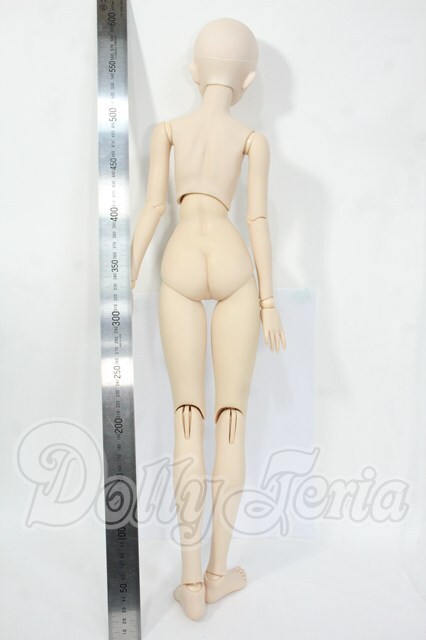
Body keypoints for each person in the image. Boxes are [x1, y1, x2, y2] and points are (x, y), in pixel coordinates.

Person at [131, 17, 286, 620]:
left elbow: (152, 207)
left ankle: (191, 582)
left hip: (179, 263)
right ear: (247, 81)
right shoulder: (252, 139)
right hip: (233, 262)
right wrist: (268, 301)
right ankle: (218, 575)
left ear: (194, 71)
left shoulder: (168, 131)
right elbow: (257, 220)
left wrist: (126, 273)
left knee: (187, 418)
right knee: (231, 420)